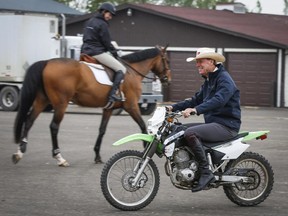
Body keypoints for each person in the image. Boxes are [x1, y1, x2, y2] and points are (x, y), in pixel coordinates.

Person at [166, 48, 241, 192]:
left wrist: (196, 110)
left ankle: (206, 173)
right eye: (196, 62)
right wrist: (171, 108)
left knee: (190, 133)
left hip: (227, 126)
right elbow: (195, 100)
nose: (197, 65)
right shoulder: (209, 80)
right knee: (179, 130)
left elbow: (219, 100)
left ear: (211, 61)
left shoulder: (224, 79)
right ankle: (191, 167)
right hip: (214, 124)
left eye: (200, 61)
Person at [81, 2, 126, 104]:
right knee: (121, 69)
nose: (110, 17)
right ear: (104, 11)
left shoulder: (89, 21)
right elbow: (106, 42)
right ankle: (112, 94)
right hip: (96, 52)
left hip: (85, 51)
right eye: (109, 14)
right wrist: (115, 54)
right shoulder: (102, 24)